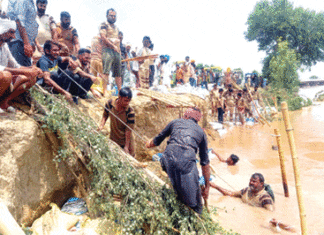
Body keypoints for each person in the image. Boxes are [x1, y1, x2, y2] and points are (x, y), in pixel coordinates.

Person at [146, 107, 211, 214]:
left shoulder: (175, 122)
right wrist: (207, 186)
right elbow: (205, 163)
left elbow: (157, 140)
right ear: (197, 120)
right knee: (196, 205)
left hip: (167, 160)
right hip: (185, 164)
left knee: (175, 174)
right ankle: (195, 217)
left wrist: (149, 144)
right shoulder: (201, 132)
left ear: (185, 116)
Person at [0, 19, 43, 112]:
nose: (13, 36)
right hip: (2, 76)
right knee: (6, 75)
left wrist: (31, 69)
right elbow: (1, 68)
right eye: (11, 32)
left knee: (30, 78)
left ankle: (4, 102)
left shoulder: (4, 46)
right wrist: (24, 71)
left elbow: (15, 65)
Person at [98, 87, 135, 156]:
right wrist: (101, 125)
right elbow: (105, 115)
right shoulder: (110, 104)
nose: (127, 103)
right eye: (126, 100)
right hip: (114, 139)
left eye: (129, 101)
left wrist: (126, 146)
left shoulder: (130, 112)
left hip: (126, 141)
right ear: (119, 97)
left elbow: (128, 130)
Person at [7, 0, 39, 66]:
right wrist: (26, 43)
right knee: (21, 72)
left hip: (23, 43)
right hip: (19, 43)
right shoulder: (22, 1)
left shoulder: (30, 2)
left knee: (26, 70)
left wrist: (30, 42)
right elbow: (19, 20)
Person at [100, 8, 122, 91]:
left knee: (118, 73)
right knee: (106, 71)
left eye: (114, 16)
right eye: (111, 15)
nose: (113, 17)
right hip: (107, 50)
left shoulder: (116, 28)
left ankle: (120, 92)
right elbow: (103, 37)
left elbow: (118, 39)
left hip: (116, 51)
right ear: (107, 16)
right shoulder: (104, 24)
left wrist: (118, 50)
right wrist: (113, 45)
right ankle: (104, 91)